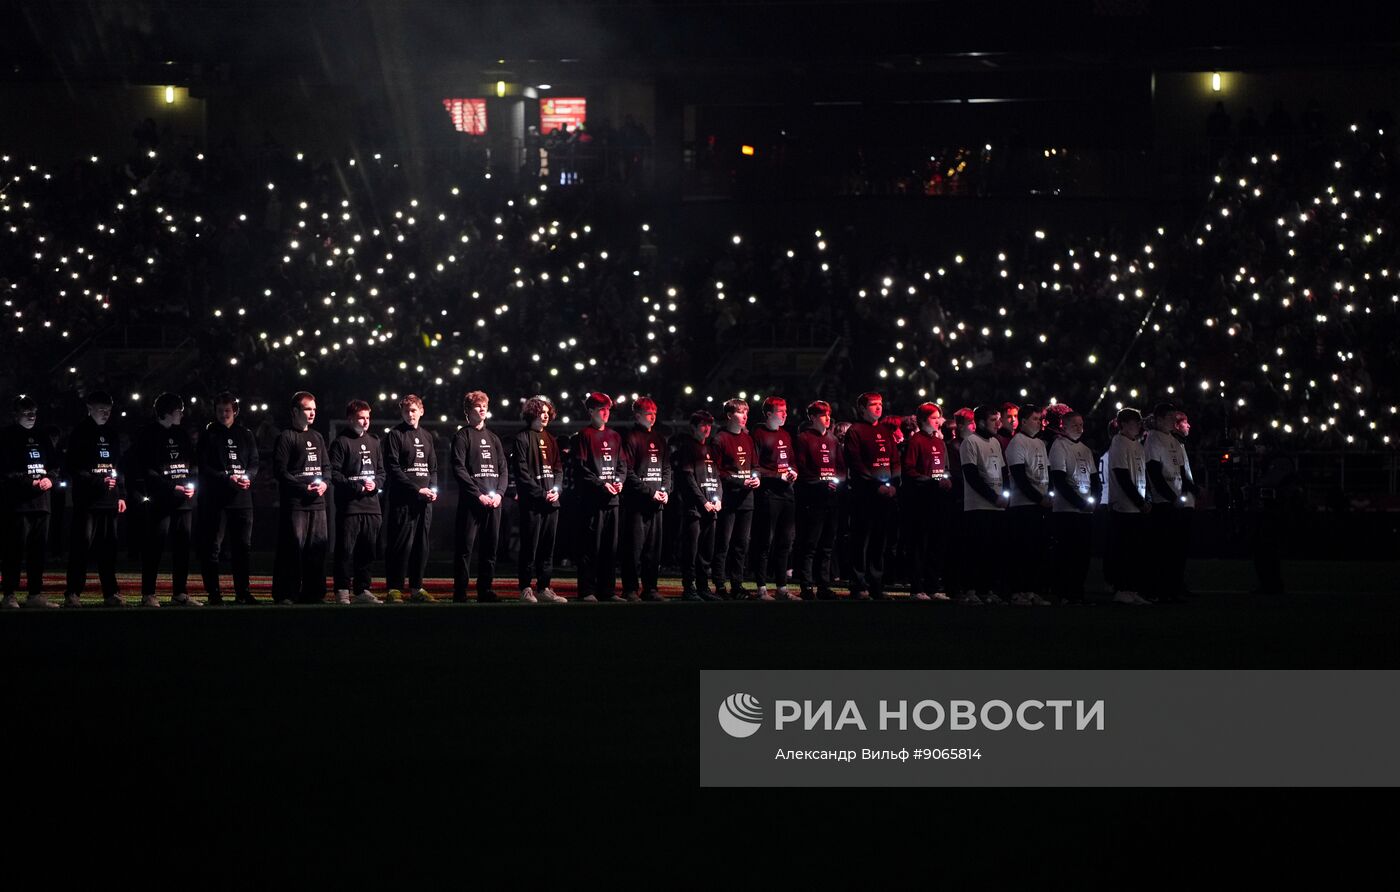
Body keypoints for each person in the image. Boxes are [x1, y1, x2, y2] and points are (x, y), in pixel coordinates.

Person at [131, 393, 200, 607]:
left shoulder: (182, 434)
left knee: (182, 547)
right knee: (155, 546)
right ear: (169, 412)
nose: (182, 413)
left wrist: (191, 484)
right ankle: (148, 593)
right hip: (160, 501)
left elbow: (193, 462)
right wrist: (171, 487)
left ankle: (180, 592)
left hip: (183, 501)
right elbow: (147, 469)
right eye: (179, 409)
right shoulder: (148, 435)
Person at [62, 392, 127, 608]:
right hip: (88, 501)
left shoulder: (111, 433)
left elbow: (118, 466)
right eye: (101, 409)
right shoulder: (80, 432)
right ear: (89, 408)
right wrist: (98, 482)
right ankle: (72, 592)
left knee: (109, 548)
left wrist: (121, 493)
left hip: (109, 499)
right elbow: (73, 467)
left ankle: (110, 592)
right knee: (81, 546)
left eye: (108, 410)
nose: (106, 414)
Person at [197, 391, 259, 605]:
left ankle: (243, 592)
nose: (224, 414)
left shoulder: (246, 434)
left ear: (235, 411)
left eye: (227, 410)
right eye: (220, 410)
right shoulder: (208, 434)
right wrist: (226, 478)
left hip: (242, 499)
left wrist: (248, 477)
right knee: (213, 547)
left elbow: (254, 462)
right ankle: (214, 593)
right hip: (216, 501)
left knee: (243, 547)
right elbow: (203, 466)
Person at [272, 391, 330, 605]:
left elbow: (327, 468)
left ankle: (314, 594)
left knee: (317, 550)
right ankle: (286, 594)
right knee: (292, 550)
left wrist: (324, 483)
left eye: (314, 409)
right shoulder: (286, 437)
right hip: (296, 505)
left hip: (318, 504)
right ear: (295, 411)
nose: (312, 413)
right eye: (308, 409)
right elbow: (280, 471)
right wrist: (304, 487)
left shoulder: (317, 436)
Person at [2, 396, 59, 608]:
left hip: (42, 503)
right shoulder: (6, 436)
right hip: (17, 504)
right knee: (14, 549)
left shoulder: (42, 436)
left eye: (34, 412)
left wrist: (49, 479)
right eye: (27, 413)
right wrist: (29, 483)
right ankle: (9, 594)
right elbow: (6, 471)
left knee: (38, 550)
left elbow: (54, 466)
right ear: (15, 414)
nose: (32, 416)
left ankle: (35, 594)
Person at [451, 391, 507, 603]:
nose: (482, 409)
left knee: (490, 548)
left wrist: (500, 494)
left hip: (494, 503)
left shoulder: (493, 438)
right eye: (477, 406)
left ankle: (485, 589)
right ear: (468, 411)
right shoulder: (462, 436)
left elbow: (503, 469)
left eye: (484, 405)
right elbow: (459, 468)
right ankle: (461, 592)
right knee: (465, 548)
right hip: (472, 503)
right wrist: (478, 495)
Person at [328, 398, 385, 604]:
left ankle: (362, 590)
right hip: (350, 507)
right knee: (345, 550)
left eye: (368, 417)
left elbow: (381, 472)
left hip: (372, 507)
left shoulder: (375, 441)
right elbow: (334, 473)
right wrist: (358, 486)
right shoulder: (341, 442)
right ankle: (342, 589)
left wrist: (375, 484)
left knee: (368, 551)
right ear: (350, 418)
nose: (365, 421)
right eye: (361, 417)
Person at [383, 394, 439, 603]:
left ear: (421, 411)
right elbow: (393, 468)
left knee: (421, 545)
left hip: (424, 501)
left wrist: (431, 488)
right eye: (406, 411)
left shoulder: (427, 436)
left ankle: (417, 588)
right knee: (400, 544)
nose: (410, 415)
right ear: (402, 413)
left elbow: (432, 467)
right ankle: (394, 589)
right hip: (402, 500)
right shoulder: (395, 435)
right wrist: (416, 489)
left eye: (413, 410)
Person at [843, 392, 899, 600]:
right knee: (861, 540)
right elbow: (856, 463)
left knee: (880, 541)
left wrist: (893, 484)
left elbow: (895, 460)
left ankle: (877, 585)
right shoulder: (855, 431)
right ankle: (858, 585)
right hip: (864, 496)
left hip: (886, 496)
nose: (878, 408)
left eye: (880, 404)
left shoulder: (885, 431)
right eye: (873, 404)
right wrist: (876, 485)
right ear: (862, 408)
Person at [511, 396, 566, 604]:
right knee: (529, 547)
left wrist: (556, 490)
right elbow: (522, 474)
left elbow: (558, 468)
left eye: (547, 412)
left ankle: (544, 587)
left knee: (547, 547)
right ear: (532, 412)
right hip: (532, 503)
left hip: (552, 502)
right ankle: (525, 588)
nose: (545, 415)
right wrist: (541, 493)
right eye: (541, 411)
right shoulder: (522, 438)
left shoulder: (551, 439)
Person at [573, 392, 627, 602]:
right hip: (592, 501)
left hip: (613, 500)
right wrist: (601, 484)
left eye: (608, 410)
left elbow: (622, 465)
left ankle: (608, 590)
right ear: (591, 412)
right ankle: (587, 590)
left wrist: (619, 482)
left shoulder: (615, 436)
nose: (606, 414)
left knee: (610, 547)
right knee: (590, 546)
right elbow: (581, 468)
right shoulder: (584, 436)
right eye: (601, 410)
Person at [1145, 403, 1198, 604]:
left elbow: (1183, 473)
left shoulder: (1174, 442)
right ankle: (1161, 588)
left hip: (1176, 501)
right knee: (1163, 548)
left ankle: (1174, 585)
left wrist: (1188, 492)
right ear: (1158, 419)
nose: (1172, 422)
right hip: (1163, 502)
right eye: (1169, 418)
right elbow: (1155, 472)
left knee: (1176, 548)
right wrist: (1171, 496)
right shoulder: (1153, 439)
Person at [620, 396, 672, 602]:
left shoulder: (660, 439)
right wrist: (650, 492)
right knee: (634, 548)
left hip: (657, 503)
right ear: (637, 415)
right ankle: (630, 589)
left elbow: (667, 468)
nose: (653, 417)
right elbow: (628, 472)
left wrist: (665, 490)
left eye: (655, 413)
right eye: (648, 413)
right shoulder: (630, 438)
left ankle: (650, 588)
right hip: (637, 504)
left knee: (653, 549)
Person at [792, 400, 845, 600]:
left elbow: (841, 467)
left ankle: (824, 585)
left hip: (832, 498)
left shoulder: (833, 440)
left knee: (827, 544)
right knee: (810, 543)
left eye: (828, 414)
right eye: (823, 415)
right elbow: (802, 467)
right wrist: (820, 483)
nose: (827, 418)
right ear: (812, 417)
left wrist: (837, 481)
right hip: (813, 499)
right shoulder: (803, 438)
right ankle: (806, 585)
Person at [900, 402, 952, 601]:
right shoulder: (916, 441)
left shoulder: (940, 442)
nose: (938, 420)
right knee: (919, 544)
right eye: (933, 417)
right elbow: (910, 470)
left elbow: (945, 467)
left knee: (936, 543)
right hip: (921, 500)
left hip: (938, 500)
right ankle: (917, 587)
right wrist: (930, 481)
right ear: (922, 420)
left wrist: (945, 479)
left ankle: (933, 586)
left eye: (938, 417)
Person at [1047, 410, 1099, 605]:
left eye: (1081, 424)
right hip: (1066, 511)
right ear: (1064, 426)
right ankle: (1064, 592)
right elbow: (1060, 480)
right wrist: (1080, 503)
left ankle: (1077, 591)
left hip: (1084, 510)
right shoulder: (1059, 447)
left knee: (1082, 554)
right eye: (1075, 425)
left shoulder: (1085, 449)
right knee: (1067, 553)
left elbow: (1094, 479)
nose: (1079, 428)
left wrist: (1093, 500)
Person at [749, 397, 799, 601]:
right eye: (781, 411)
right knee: (764, 541)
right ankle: (761, 588)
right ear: (768, 414)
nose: (785, 414)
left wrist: (793, 471)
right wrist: (777, 476)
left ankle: (781, 588)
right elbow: (755, 466)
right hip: (768, 495)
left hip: (787, 493)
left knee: (785, 541)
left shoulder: (786, 434)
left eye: (786, 410)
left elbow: (792, 461)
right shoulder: (758, 434)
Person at [710, 398, 759, 599]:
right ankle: (720, 583)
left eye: (746, 412)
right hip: (728, 498)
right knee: (723, 542)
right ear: (730, 415)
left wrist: (757, 479)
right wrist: (740, 483)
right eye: (740, 412)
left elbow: (755, 466)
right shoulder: (720, 439)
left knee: (742, 543)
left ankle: (737, 584)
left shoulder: (748, 438)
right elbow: (716, 470)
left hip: (747, 499)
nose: (745, 416)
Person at [1004, 404, 1053, 606]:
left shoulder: (1040, 444)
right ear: (1023, 421)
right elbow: (1019, 476)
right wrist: (1038, 497)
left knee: (1036, 549)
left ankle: (1032, 590)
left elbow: (1045, 473)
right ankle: (1019, 591)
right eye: (1034, 418)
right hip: (1023, 505)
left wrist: (1047, 496)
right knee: (1022, 549)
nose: (1039, 422)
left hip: (1039, 503)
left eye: (1039, 419)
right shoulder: (1017, 443)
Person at [959, 405, 1008, 606]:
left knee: (992, 551)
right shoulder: (970, 442)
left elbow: (1003, 472)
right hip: (978, 506)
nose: (998, 424)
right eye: (993, 420)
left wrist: (1005, 496)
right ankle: (970, 590)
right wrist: (992, 496)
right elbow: (971, 475)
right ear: (980, 422)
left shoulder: (995, 442)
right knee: (976, 550)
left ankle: (986, 589)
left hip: (996, 505)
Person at [673, 410, 722, 601]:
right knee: (691, 550)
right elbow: (688, 478)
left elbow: (716, 477)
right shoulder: (687, 448)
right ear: (693, 427)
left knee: (706, 551)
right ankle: (689, 587)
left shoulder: (710, 449)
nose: (707, 428)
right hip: (694, 509)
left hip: (711, 508)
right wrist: (703, 502)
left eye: (709, 425)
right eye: (703, 425)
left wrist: (718, 499)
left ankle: (703, 587)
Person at [1106, 407, 1151, 605]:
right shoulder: (1118, 443)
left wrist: (1146, 498)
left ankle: (1132, 588)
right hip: (1124, 507)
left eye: (1139, 422)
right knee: (1123, 550)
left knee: (1136, 551)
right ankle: (1121, 588)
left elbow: (1143, 476)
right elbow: (1122, 476)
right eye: (1134, 422)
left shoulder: (1138, 446)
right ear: (1123, 424)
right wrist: (1140, 501)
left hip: (1137, 507)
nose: (1138, 426)